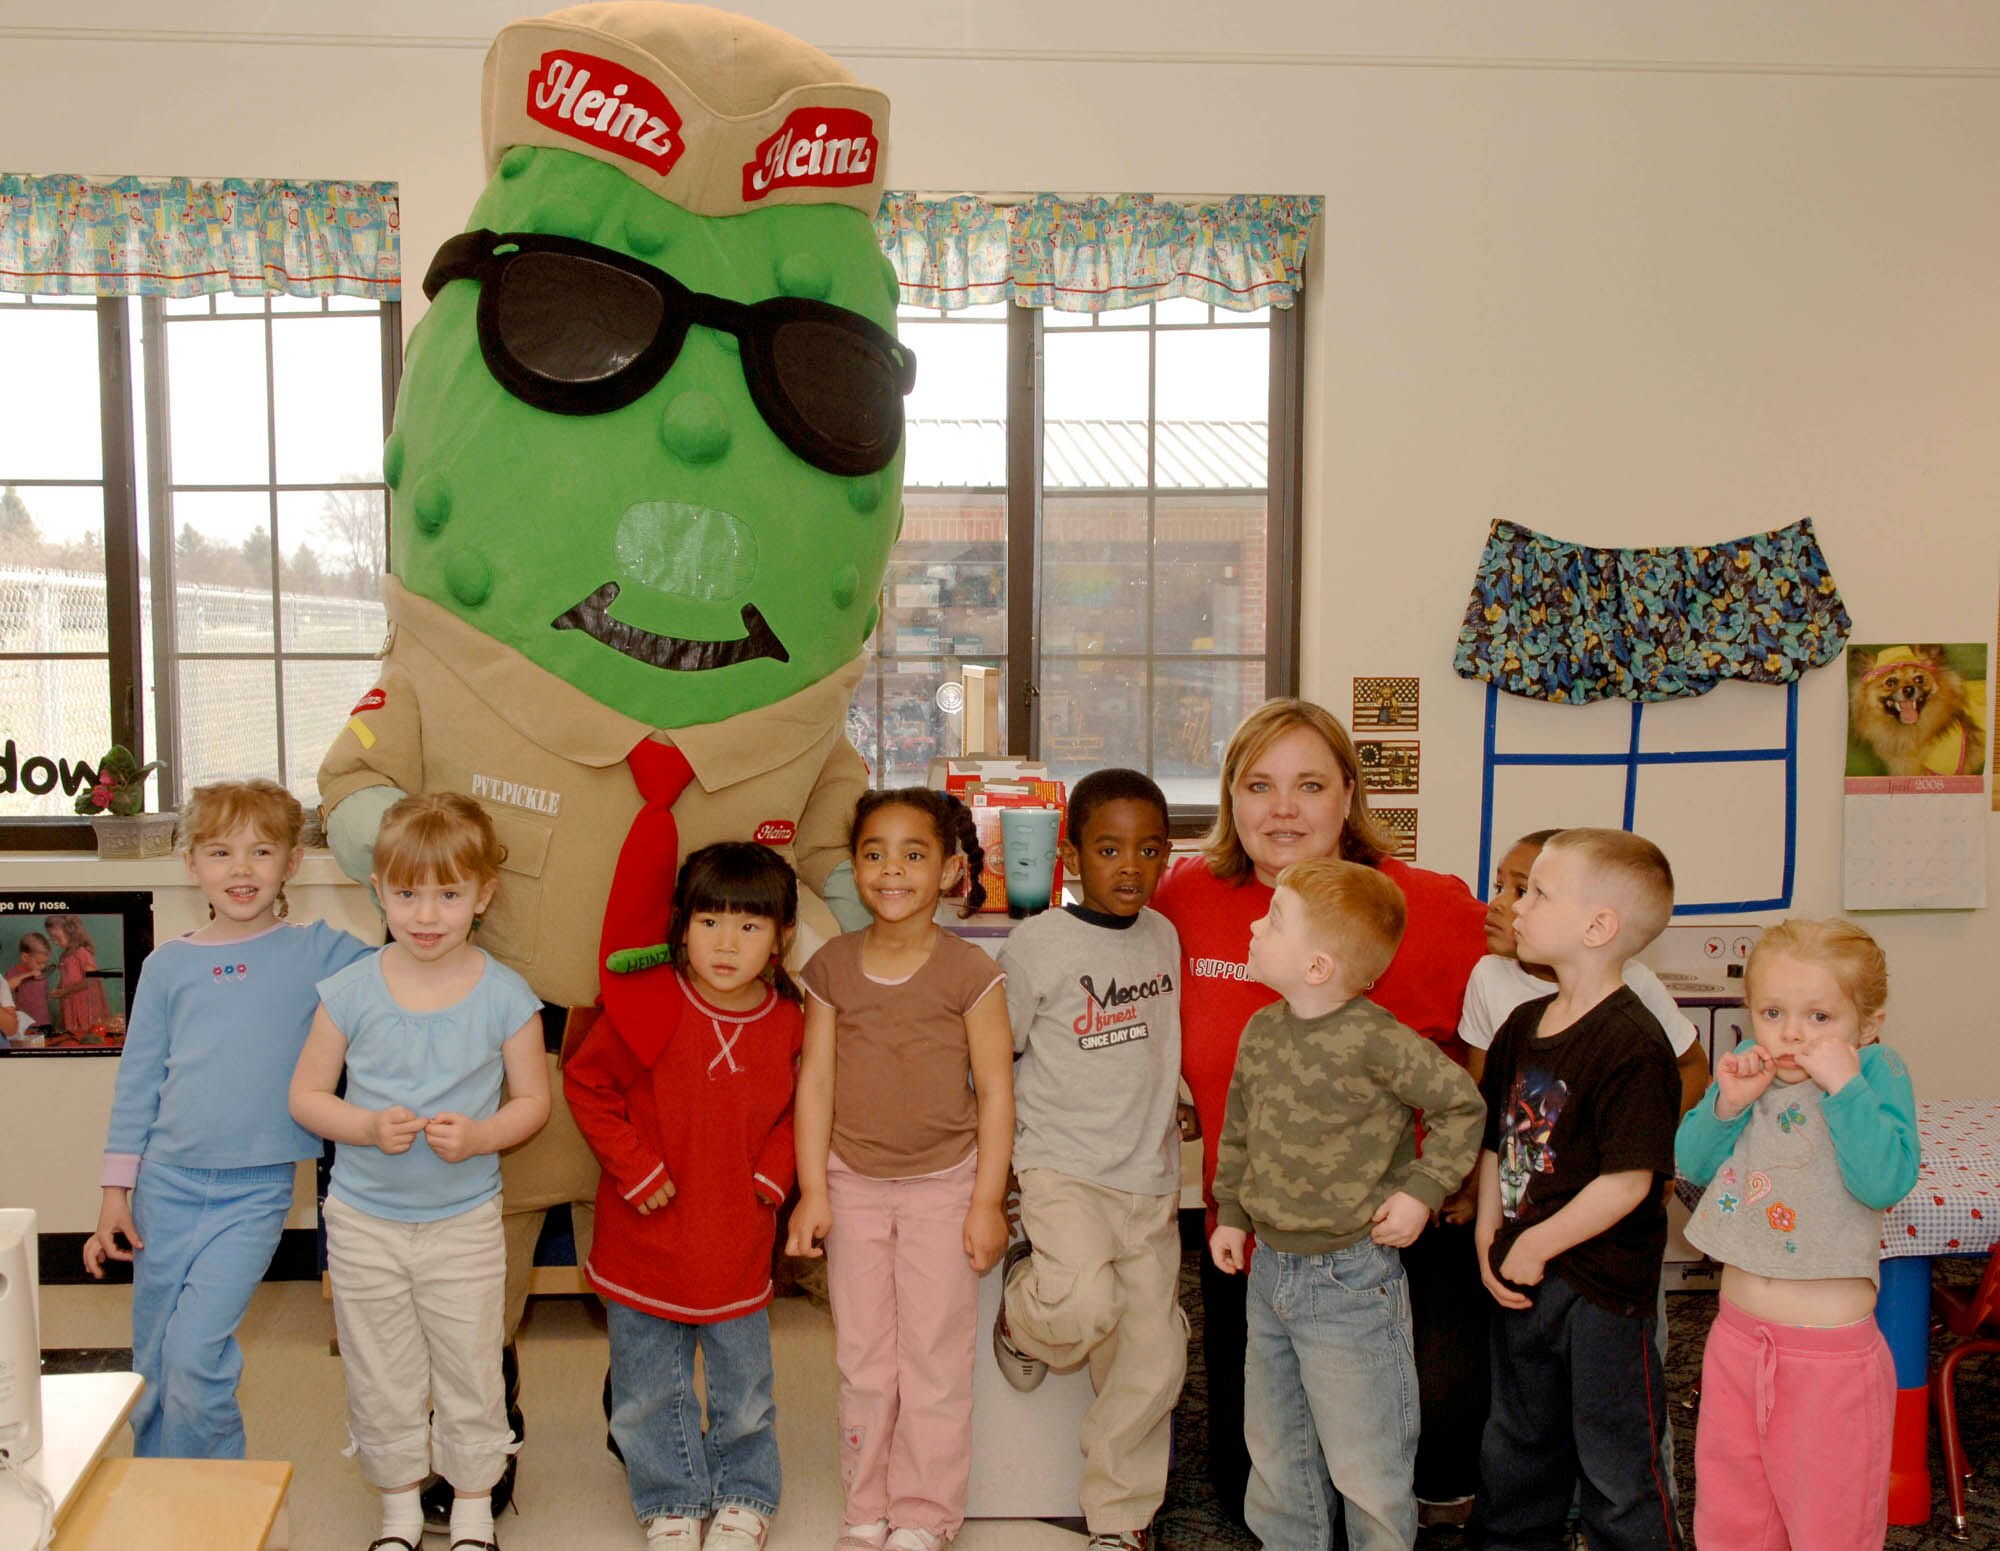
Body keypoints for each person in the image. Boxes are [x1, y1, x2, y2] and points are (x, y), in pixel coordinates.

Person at [1150, 698, 1487, 1524]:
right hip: (1263, 1231)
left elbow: (1510, 1024)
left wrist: (1475, 1166)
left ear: (1348, 794)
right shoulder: (1184, 899)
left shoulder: (1423, 904)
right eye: (1258, 785)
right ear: (1230, 796)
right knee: (1248, 1485)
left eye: (1309, 784)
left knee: (1434, 1457)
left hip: (1394, 1226)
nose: (1284, 809)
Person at [290, 793, 551, 1551]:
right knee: (381, 1372)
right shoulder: (350, 991)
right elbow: (306, 1095)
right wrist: (366, 1125)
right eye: (406, 893)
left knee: (471, 1368)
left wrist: (479, 1136)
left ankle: (472, 1516)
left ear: (483, 895)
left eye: (447, 894)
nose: (426, 914)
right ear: (377, 888)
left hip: (464, 1222)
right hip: (365, 1221)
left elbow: (532, 1102)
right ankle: (399, 1515)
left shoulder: (505, 995)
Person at [80, 779, 371, 1457]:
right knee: (154, 1360)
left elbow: (406, 962)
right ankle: (159, 1486)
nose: (240, 869)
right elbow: (138, 1084)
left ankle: (217, 1495)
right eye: (220, 852)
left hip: (257, 1190)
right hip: (165, 1186)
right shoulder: (167, 966)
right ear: (192, 865)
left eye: (260, 850)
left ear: (291, 862)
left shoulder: (317, 949)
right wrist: (113, 1193)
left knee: (195, 1353)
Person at [1209, 858, 1485, 1551]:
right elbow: (1240, 1128)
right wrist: (1233, 1213)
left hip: (1350, 1279)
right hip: (1270, 1270)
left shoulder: (1377, 1040)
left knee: (1367, 1460)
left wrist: (1422, 1191)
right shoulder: (1262, 1031)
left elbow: (1460, 1105)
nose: (1253, 923)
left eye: (1273, 918)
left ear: (1318, 965)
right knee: (1276, 1449)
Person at [786, 788, 1014, 1551]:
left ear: (950, 870)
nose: (892, 870)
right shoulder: (831, 967)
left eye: (914, 854)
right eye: (874, 853)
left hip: (944, 1186)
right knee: (864, 1358)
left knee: (934, 1362)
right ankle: (867, 1502)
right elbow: (813, 1082)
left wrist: (987, 1201)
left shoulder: (970, 971)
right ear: (854, 867)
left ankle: (924, 1512)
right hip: (851, 1183)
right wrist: (813, 1188)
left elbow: (997, 1093)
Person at [565, 843, 807, 1551]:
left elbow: (806, 1107)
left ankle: (744, 1491)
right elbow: (588, 1083)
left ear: (782, 935)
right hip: (645, 1228)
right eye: (709, 921)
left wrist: (774, 1173)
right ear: (680, 927)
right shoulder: (651, 1003)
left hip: (734, 1233)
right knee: (647, 1385)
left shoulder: (792, 1021)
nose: (727, 943)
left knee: (744, 1383)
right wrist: (634, 1166)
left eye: (750, 925)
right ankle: (670, 1493)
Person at [1461, 826, 1712, 1507]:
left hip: (1601, 1293)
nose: (1517, 905)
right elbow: (1499, 1143)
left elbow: (1629, 1180)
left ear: (1599, 926)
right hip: (1522, 1277)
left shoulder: (1633, 1040)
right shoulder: (1522, 1025)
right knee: (1516, 1451)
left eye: (1539, 892)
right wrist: (1490, 1234)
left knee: (1616, 1464)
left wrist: (1536, 1242)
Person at [989, 769, 1186, 1551]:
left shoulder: (1164, 935)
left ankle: (1118, 1517)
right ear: (1070, 855)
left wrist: (1179, 1093)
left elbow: (1158, 1038)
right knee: (1081, 1305)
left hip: (1150, 1178)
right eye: (1109, 848)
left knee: (1155, 1353)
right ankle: (1019, 1313)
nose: (1130, 866)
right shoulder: (1038, 942)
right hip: (1064, 1167)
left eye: (1148, 849)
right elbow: (993, 1050)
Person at [1676, 919, 1918, 1551]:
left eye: (1820, 1017)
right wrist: (1726, 1104)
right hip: (1736, 1338)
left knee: (1829, 1523)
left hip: (1830, 1363)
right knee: (1733, 1515)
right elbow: (1693, 1167)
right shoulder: (1752, 1073)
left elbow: (1884, 1181)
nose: (1792, 1034)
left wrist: (1846, 1087)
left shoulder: (1874, 1074)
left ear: (1866, 1027)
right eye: (1774, 1011)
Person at [47, 911, 111, 1036]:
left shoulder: (82, 953)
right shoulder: (64, 955)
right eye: (52, 938)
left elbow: (92, 980)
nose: (55, 942)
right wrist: (60, 989)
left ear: (71, 933)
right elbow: (65, 977)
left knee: (87, 1031)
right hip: (70, 1000)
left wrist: (66, 991)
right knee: (73, 1033)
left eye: (57, 937)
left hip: (83, 1002)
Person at [7, 930, 53, 1029]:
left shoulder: (42, 973)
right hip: (24, 1025)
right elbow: (7, 988)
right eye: (39, 962)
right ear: (25, 957)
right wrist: (29, 974)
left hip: (45, 1022)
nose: (42, 966)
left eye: (45, 963)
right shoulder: (13, 973)